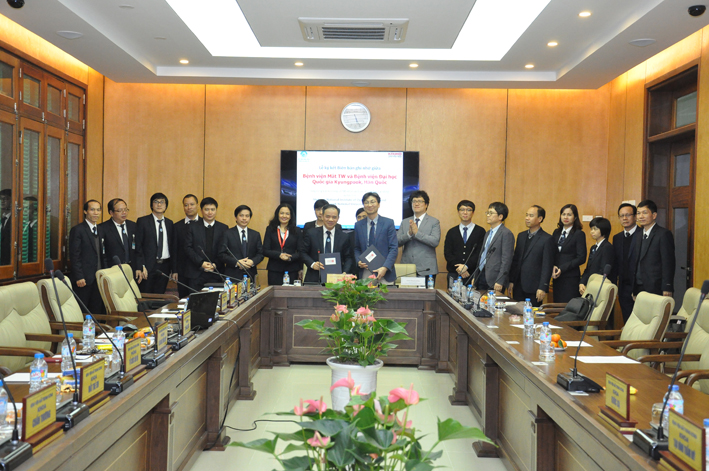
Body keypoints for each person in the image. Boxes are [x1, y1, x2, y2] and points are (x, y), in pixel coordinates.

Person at [508, 205, 553, 306]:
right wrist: (511, 281)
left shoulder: (547, 239)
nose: (527, 218)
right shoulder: (521, 236)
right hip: (518, 285)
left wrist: (542, 287)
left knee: (532, 314)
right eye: (526, 215)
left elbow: (547, 265)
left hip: (534, 287)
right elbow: (516, 260)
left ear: (540, 219)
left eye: (531, 216)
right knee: (516, 312)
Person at [68, 200, 107, 313]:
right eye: (92, 210)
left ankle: (96, 326)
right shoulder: (78, 230)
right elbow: (75, 255)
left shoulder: (101, 230)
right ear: (85, 211)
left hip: (98, 278)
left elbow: (103, 253)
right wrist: (79, 276)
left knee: (96, 309)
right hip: (84, 279)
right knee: (83, 311)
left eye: (98, 210)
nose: (96, 213)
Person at [301, 204, 354, 284]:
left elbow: (348, 258)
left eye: (334, 217)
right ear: (322, 216)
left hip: (337, 280)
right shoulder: (311, 233)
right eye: (327, 216)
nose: (330, 220)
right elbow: (302, 252)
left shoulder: (344, 237)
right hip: (314, 277)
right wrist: (312, 264)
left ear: (338, 218)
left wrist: (344, 273)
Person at [184, 197, 229, 291]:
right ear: (201, 211)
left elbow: (224, 250)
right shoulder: (192, 227)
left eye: (212, 209)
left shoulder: (223, 228)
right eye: (207, 209)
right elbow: (188, 248)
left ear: (216, 210)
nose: (210, 212)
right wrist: (201, 263)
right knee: (196, 299)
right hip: (196, 273)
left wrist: (215, 264)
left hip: (216, 273)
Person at [633, 199, 675, 298]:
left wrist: (667, 286)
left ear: (654, 215)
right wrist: (633, 289)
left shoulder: (663, 234)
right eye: (638, 213)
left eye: (644, 213)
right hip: (638, 286)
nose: (641, 216)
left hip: (656, 286)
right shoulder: (638, 234)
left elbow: (668, 262)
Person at [135, 193, 176, 294]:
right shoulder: (143, 221)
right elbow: (138, 246)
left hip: (165, 266)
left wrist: (173, 269)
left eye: (162, 202)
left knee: (160, 296)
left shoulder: (169, 223)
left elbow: (172, 247)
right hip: (148, 267)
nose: (159, 205)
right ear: (151, 205)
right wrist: (141, 266)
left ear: (166, 205)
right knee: (146, 296)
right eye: (156, 202)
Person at [353, 192, 397, 283]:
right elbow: (356, 248)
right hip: (366, 270)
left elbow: (393, 248)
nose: (370, 205)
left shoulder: (388, 223)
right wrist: (358, 261)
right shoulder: (358, 225)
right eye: (366, 202)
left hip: (385, 272)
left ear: (378, 204)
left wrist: (385, 267)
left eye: (372, 202)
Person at [397, 191, 441, 280]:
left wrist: (417, 233)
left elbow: (435, 241)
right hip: (407, 268)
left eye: (420, 201)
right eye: (414, 201)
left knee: (427, 290)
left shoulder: (434, 222)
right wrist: (409, 234)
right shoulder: (405, 222)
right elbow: (397, 242)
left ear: (426, 205)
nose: (416, 204)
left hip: (427, 268)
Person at [474, 202, 514, 293]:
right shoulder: (488, 233)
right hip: (481, 274)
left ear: (500, 217)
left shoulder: (506, 233)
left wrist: (500, 281)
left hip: (495, 279)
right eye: (487, 213)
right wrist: (475, 277)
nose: (488, 215)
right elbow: (482, 255)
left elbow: (506, 260)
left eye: (491, 213)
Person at [549, 204, 586, 303]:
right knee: (557, 305)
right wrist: (553, 266)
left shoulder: (579, 234)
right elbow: (552, 252)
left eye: (569, 215)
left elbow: (581, 257)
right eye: (563, 214)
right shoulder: (556, 232)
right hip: (556, 277)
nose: (565, 217)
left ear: (575, 217)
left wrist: (563, 268)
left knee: (568, 306)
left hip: (571, 278)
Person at [611, 203, 642, 322]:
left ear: (635, 217)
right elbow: (615, 264)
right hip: (623, 287)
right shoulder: (617, 238)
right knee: (627, 321)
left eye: (628, 215)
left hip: (639, 287)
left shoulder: (642, 235)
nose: (625, 218)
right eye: (622, 216)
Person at [444, 200, 485, 286]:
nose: (465, 212)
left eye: (468, 210)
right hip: (454, 273)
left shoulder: (480, 231)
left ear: (473, 213)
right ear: (458, 212)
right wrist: (460, 269)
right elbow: (448, 253)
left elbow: (480, 252)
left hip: (472, 274)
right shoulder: (451, 232)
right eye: (462, 210)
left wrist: (466, 266)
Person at [219, 205, 264, 282]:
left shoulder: (255, 234)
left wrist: (252, 262)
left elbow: (260, 254)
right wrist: (237, 262)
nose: (244, 218)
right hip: (232, 275)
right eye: (241, 215)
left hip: (251, 274)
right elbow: (221, 254)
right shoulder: (227, 233)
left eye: (247, 216)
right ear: (236, 218)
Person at [100, 198, 142, 280]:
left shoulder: (133, 226)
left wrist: (139, 267)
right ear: (111, 213)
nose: (124, 213)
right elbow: (103, 254)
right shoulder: (103, 228)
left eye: (125, 210)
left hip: (132, 270)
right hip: (112, 271)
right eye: (120, 210)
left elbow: (138, 249)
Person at [263, 203, 302, 285]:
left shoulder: (297, 230)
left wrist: (290, 258)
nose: (284, 216)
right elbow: (265, 250)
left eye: (287, 214)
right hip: (274, 270)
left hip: (292, 269)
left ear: (291, 216)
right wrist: (279, 255)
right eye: (282, 213)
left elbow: (301, 252)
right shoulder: (270, 229)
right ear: (277, 214)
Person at [173, 194, 201, 297]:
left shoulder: (204, 224)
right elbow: (174, 249)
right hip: (183, 271)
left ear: (197, 205)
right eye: (186, 205)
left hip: (200, 271)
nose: (189, 207)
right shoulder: (177, 226)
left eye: (192, 204)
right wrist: (174, 270)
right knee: (183, 300)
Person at [579, 217, 615, 295]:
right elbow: (588, 268)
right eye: (591, 229)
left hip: (599, 287)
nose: (592, 231)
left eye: (595, 229)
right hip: (590, 285)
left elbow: (603, 271)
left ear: (603, 230)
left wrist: (591, 284)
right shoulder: (593, 247)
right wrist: (582, 283)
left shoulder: (607, 247)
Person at [347, 207, 366, 276]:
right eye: (359, 217)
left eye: (364, 217)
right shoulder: (349, 236)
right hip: (354, 271)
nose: (361, 219)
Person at [22, 196, 38, 263]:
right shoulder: (24, 226)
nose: (24, 211)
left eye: (27, 208)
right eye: (23, 208)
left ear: (35, 210)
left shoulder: (39, 228)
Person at [0, 189, 11, 265]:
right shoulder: (2, 219)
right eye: (1, 199)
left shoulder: (15, 220)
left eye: (6, 199)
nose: (2, 201)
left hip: (8, 262)